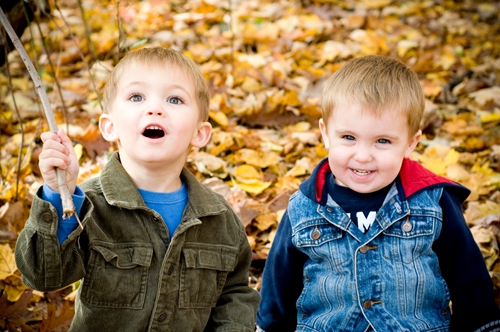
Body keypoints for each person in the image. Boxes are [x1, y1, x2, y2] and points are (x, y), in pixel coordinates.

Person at [15, 47, 260, 331]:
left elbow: (235, 292)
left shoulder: (218, 218)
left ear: (199, 133)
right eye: (136, 97)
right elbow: (42, 275)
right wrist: (60, 197)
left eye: (174, 99)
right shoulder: (89, 207)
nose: (155, 108)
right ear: (109, 127)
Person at [256, 55, 500, 332]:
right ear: (325, 133)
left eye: (382, 141)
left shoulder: (432, 200)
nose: (362, 156)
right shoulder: (304, 206)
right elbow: (280, 283)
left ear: (410, 143)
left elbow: (467, 275)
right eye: (348, 137)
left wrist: (483, 325)